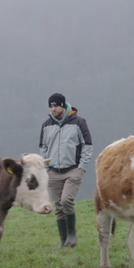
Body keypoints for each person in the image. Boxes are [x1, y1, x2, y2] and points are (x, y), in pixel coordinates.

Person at [39, 93, 93, 248]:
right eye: (50, 106)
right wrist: (46, 168)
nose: (52, 109)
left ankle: (72, 236)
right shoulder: (46, 125)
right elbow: (43, 147)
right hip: (53, 171)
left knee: (66, 200)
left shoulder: (79, 122)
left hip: (73, 170)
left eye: (55, 105)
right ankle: (63, 241)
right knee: (58, 205)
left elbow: (87, 145)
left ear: (63, 106)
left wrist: (82, 167)